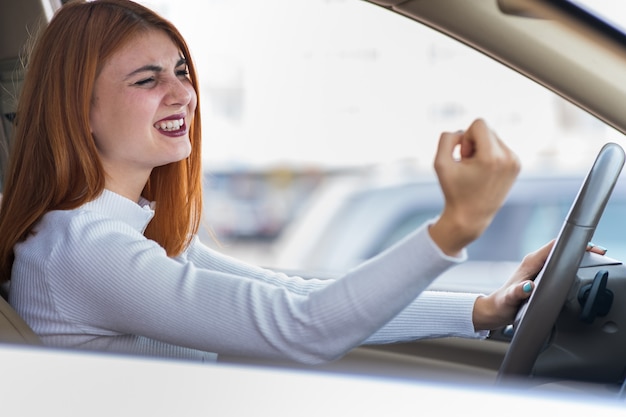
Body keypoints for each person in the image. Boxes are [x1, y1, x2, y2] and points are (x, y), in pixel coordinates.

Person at [0, 0, 549, 364]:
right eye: (148, 79)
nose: (183, 94)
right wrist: (454, 228)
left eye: (181, 71)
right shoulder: (84, 250)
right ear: (80, 108)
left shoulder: (129, 231)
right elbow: (300, 326)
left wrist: (481, 308)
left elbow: (292, 295)